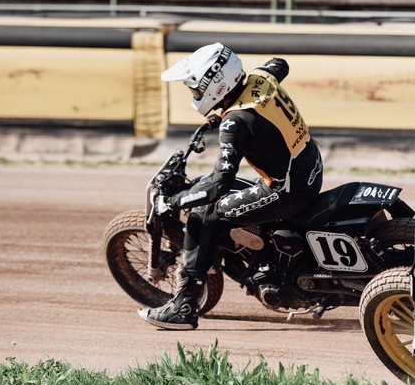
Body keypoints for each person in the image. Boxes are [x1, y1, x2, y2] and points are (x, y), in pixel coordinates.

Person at [138, 43, 324, 330]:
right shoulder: (261, 79)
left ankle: (184, 307)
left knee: (205, 214)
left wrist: (173, 202)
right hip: (309, 166)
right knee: (225, 204)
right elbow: (279, 63)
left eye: (197, 89)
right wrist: (222, 110)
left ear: (217, 84)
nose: (196, 96)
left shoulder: (236, 123)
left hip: (286, 190)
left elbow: (217, 184)